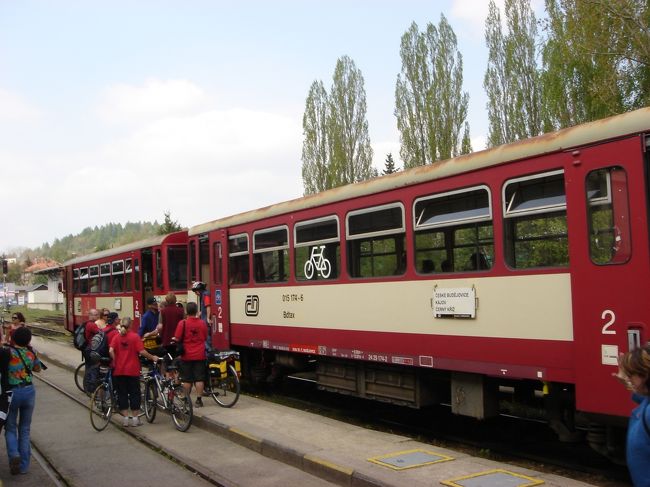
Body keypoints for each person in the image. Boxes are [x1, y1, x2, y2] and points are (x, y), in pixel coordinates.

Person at [109, 316, 161, 427]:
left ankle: (126, 419)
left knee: (122, 394)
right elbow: (142, 352)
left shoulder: (117, 337)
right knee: (134, 394)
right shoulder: (135, 337)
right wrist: (152, 357)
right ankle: (135, 419)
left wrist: (115, 360)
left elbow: (111, 350)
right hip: (133, 370)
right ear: (131, 325)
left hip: (119, 370)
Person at [4, 327, 42, 475]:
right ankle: (24, 466)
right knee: (25, 429)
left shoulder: (7, 352)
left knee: (11, 427)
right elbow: (38, 369)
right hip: (28, 391)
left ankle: (14, 455)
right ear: (28, 340)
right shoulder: (31, 352)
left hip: (12, 393)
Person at [172, 302, 207, 408]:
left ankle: (187, 400)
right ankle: (199, 400)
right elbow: (205, 337)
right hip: (200, 354)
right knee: (199, 378)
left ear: (186, 311)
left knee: (187, 379)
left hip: (186, 355)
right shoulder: (202, 323)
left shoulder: (182, 323)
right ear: (196, 311)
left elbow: (177, 337)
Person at [83, 309, 101, 392]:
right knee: (93, 368)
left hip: (87, 349)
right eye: (96, 314)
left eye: (97, 314)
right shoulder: (92, 325)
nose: (97, 316)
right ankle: (91, 388)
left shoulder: (88, 323)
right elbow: (101, 333)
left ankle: (87, 387)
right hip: (91, 349)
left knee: (88, 368)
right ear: (91, 315)